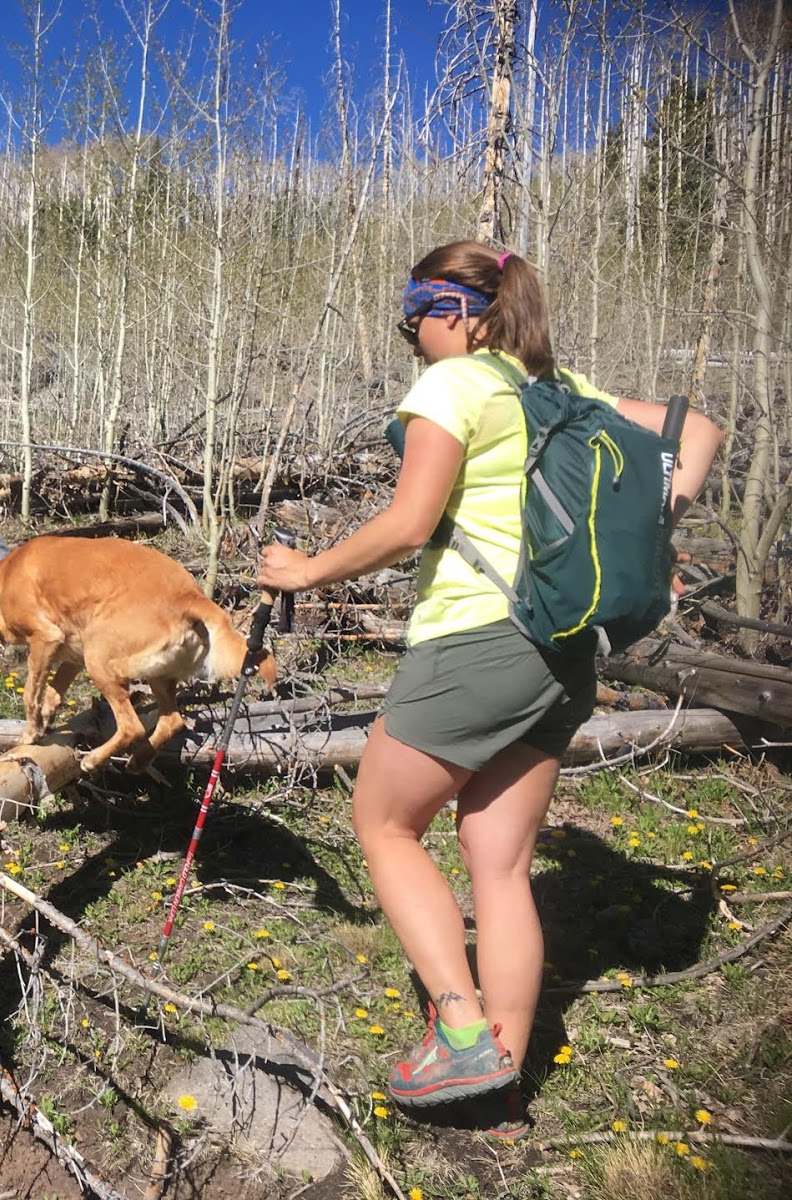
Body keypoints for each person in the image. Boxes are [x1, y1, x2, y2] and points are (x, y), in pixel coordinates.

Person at [256, 240, 723, 1137]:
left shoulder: (456, 385)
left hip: (480, 640)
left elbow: (408, 523)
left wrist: (306, 571)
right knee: (499, 860)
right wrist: (654, 540)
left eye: (417, 317)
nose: (413, 338)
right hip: (566, 654)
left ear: (460, 312)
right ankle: (501, 1084)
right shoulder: (566, 390)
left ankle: (464, 1033)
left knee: (383, 824)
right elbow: (696, 433)